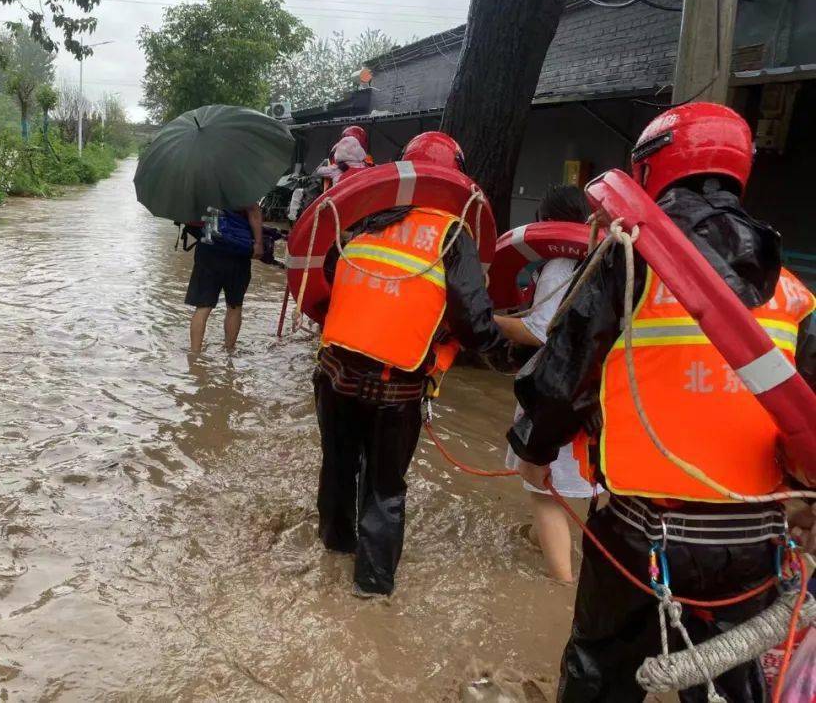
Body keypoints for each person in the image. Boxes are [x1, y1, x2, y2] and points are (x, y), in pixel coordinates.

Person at [508, 103, 816, 701]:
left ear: (652, 168)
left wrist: (533, 452)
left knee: (600, 671)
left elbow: (563, 373)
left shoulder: (628, 258)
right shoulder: (795, 294)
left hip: (637, 529)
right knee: (734, 681)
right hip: (753, 541)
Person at [314, 131, 510, 597]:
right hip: (392, 386)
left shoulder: (363, 221)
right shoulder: (451, 235)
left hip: (334, 372)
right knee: (384, 487)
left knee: (339, 468)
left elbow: (328, 274)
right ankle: (371, 588)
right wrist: (510, 357)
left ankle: (333, 551)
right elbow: (474, 320)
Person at [493, 184, 597, 584]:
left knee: (543, 487)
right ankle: (542, 542)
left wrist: (491, 319)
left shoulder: (560, 266)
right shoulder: (605, 264)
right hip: (594, 387)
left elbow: (539, 333)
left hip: (555, 387)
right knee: (574, 482)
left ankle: (560, 584)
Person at [186, 203, 264, 354]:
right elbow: (254, 211)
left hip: (208, 247)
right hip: (237, 249)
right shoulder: (241, 182)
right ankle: (229, 352)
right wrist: (259, 243)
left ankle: (194, 357)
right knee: (234, 305)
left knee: (202, 306)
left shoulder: (200, 183)